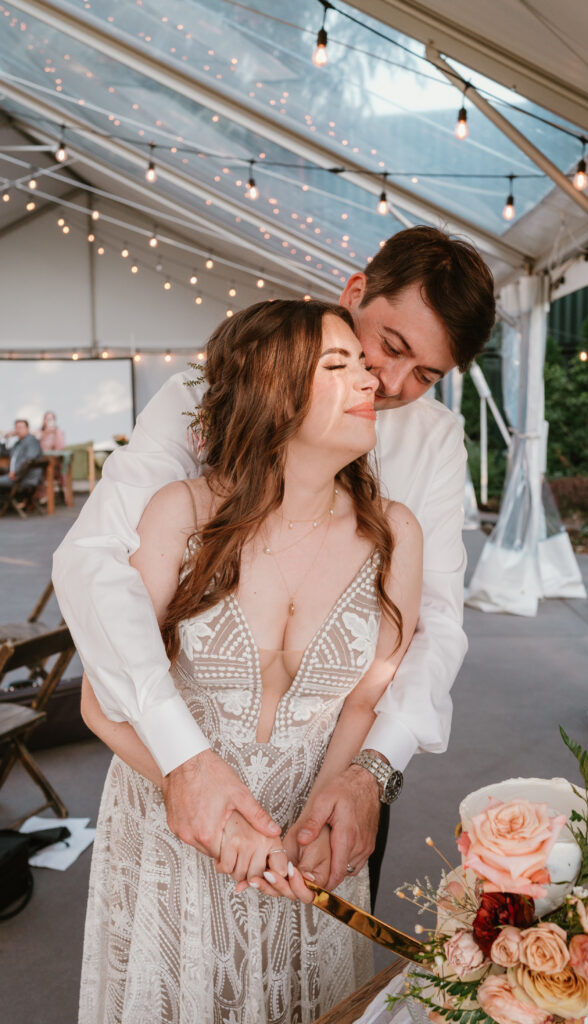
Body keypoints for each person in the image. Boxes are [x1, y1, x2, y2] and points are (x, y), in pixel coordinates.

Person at [53, 226, 496, 903]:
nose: (391, 381)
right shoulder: (201, 398)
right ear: (356, 292)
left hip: (339, 775)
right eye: (393, 346)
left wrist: (372, 773)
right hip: (182, 765)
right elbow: (95, 561)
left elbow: (435, 618)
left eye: (427, 375)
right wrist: (182, 759)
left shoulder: (431, 441)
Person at [78, 299, 422, 1021]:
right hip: (172, 845)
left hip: (305, 857)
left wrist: (315, 827)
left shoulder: (394, 534)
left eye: (364, 365)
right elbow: (97, 702)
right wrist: (199, 801)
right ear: (272, 387)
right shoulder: (181, 513)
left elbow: (365, 700)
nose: (372, 383)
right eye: (339, 366)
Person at [0, 419, 42, 494]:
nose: (18, 430)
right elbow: (4, 452)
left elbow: (29, 459)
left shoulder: (31, 441)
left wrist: (15, 472)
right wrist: (5, 438)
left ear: (28, 429)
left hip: (24, 478)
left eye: (20, 428)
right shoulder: (18, 443)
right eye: (16, 428)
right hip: (15, 476)